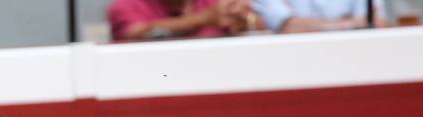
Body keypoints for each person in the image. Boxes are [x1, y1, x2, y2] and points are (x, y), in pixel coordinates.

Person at [108, 0, 261, 40]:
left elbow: (259, 22)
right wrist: (204, 19)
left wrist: (245, 22)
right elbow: (137, 33)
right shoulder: (126, 6)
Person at [253, 0, 389, 31]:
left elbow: (376, 22)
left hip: (352, 58)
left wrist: (304, 24)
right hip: (292, 62)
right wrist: (351, 23)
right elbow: (286, 26)